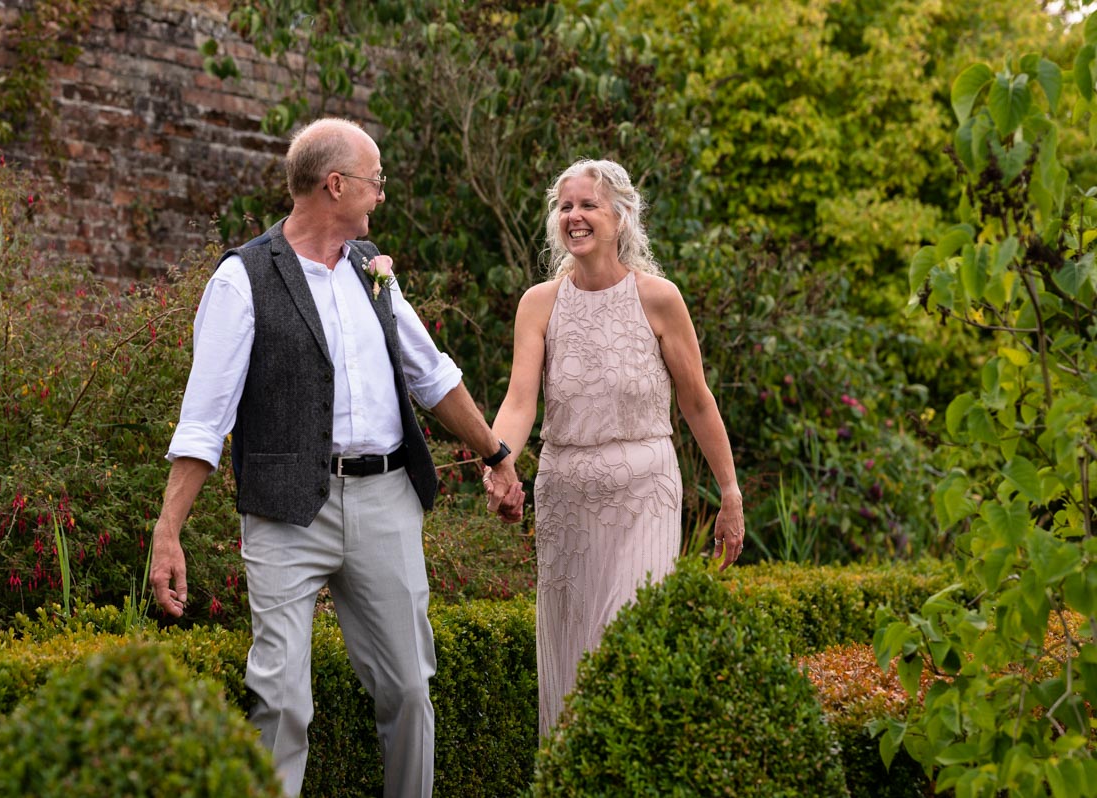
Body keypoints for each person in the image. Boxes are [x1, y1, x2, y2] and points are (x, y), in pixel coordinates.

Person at [149, 117, 524, 798]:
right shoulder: (242, 280)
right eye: (375, 181)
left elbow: (431, 374)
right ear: (335, 184)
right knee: (282, 702)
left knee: (411, 691)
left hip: (385, 501)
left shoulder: (369, 269)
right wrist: (167, 530)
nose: (381, 195)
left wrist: (495, 453)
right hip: (286, 512)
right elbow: (204, 419)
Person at [487, 158, 745, 737]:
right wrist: (500, 461)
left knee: (625, 642)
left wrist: (729, 492)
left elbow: (697, 401)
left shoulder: (659, 299)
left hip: (644, 492)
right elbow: (521, 400)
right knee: (572, 653)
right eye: (565, 207)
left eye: (587, 205)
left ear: (621, 216)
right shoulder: (539, 303)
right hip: (566, 497)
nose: (574, 217)